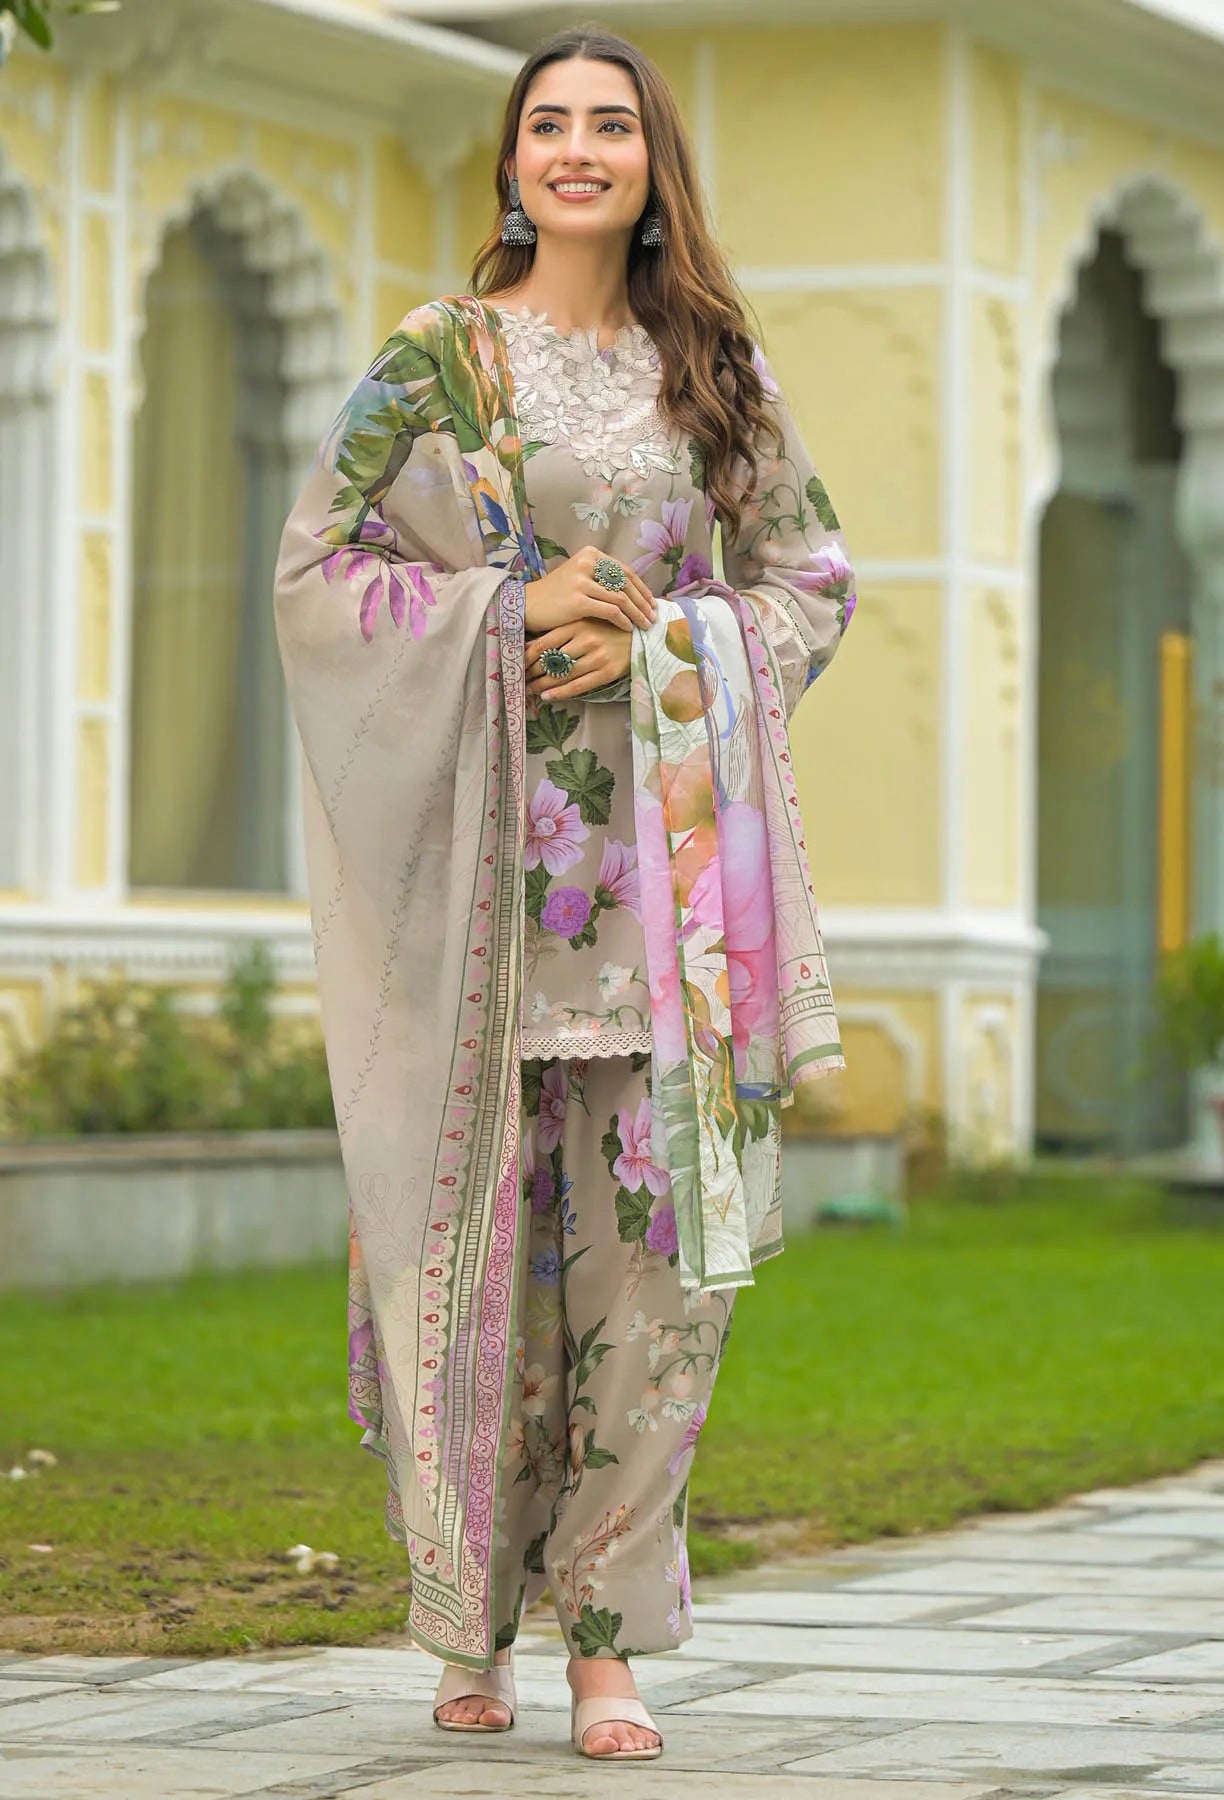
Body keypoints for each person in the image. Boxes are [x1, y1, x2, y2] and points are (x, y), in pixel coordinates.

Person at [273, 22, 855, 1765]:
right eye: (551, 124)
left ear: (651, 160)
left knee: (658, 1278)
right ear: (514, 160)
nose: (579, 150)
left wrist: (670, 639)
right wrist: (509, 615)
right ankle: (469, 1618)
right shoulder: (436, 362)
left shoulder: (715, 376)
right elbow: (317, 569)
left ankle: (608, 1638)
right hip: (476, 888)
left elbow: (810, 578)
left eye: (612, 124)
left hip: (671, 896)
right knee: (469, 1260)